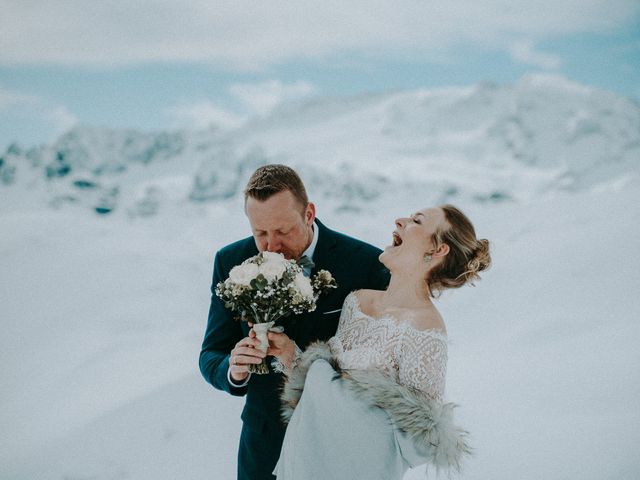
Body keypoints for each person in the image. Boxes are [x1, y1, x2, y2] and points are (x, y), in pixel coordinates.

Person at [270, 204, 491, 479]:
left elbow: (420, 439)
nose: (400, 220)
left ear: (437, 250)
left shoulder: (426, 327)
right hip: (303, 460)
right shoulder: (358, 300)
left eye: (416, 221)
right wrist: (288, 353)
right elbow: (320, 390)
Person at [199, 164, 390, 480]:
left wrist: (299, 358)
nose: (271, 246)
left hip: (337, 442)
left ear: (309, 214)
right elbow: (210, 355)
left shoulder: (366, 264)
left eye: (283, 230)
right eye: (260, 233)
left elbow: (379, 368)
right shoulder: (230, 261)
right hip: (264, 444)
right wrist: (233, 370)